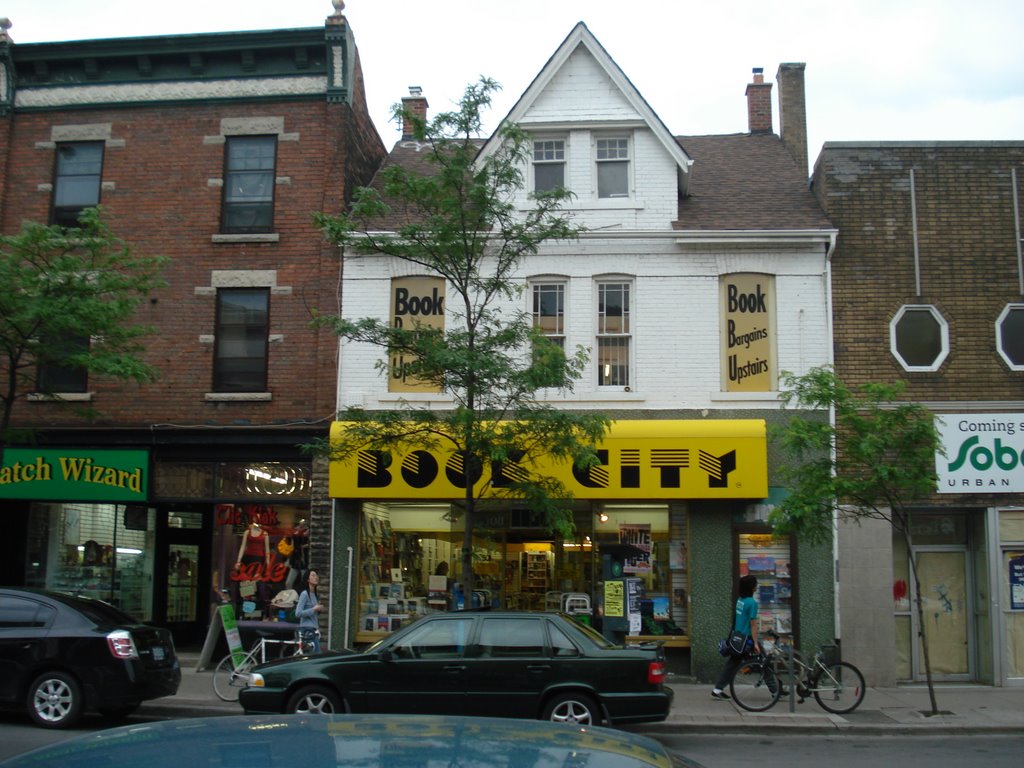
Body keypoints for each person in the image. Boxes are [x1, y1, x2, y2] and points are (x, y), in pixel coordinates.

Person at [712, 574, 761, 700]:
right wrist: (755, 643)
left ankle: (717, 689)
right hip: (747, 639)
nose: (757, 586)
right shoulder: (752, 603)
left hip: (737, 638)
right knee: (763, 661)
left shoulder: (740, 600)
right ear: (752, 587)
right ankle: (775, 690)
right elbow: (753, 624)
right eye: (755, 584)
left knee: (732, 664)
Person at [295, 569, 324, 654]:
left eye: (316, 575)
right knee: (317, 655)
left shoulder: (314, 594)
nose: (316, 577)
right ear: (308, 579)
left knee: (313, 655)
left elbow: (313, 613)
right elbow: (298, 613)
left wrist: (318, 610)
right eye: (313, 575)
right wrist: (314, 609)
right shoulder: (304, 594)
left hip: (313, 628)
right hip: (307, 629)